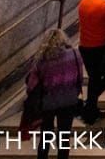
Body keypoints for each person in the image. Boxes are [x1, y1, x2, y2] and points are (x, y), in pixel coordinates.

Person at [25, 29, 83, 159]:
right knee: (64, 136)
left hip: (48, 102)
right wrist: (76, 93)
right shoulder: (75, 54)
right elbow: (79, 77)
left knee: (45, 135)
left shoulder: (41, 59)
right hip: (68, 100)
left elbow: (31, 85)